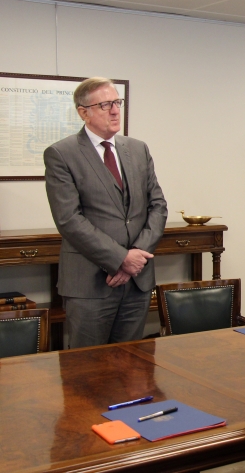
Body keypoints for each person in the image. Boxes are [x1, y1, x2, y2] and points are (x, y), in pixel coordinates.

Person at [44, 77, 167, 349]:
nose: (115, 110)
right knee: (87, 372)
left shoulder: (137, 149)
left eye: (117, 103)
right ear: (83, 112)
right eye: (105, 105)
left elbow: (157, 206)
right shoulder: (61, 154)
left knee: (132, 368)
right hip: (90, 285)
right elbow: (69, 219)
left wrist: (136, 257)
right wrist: (120, 258)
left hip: (137, 282)